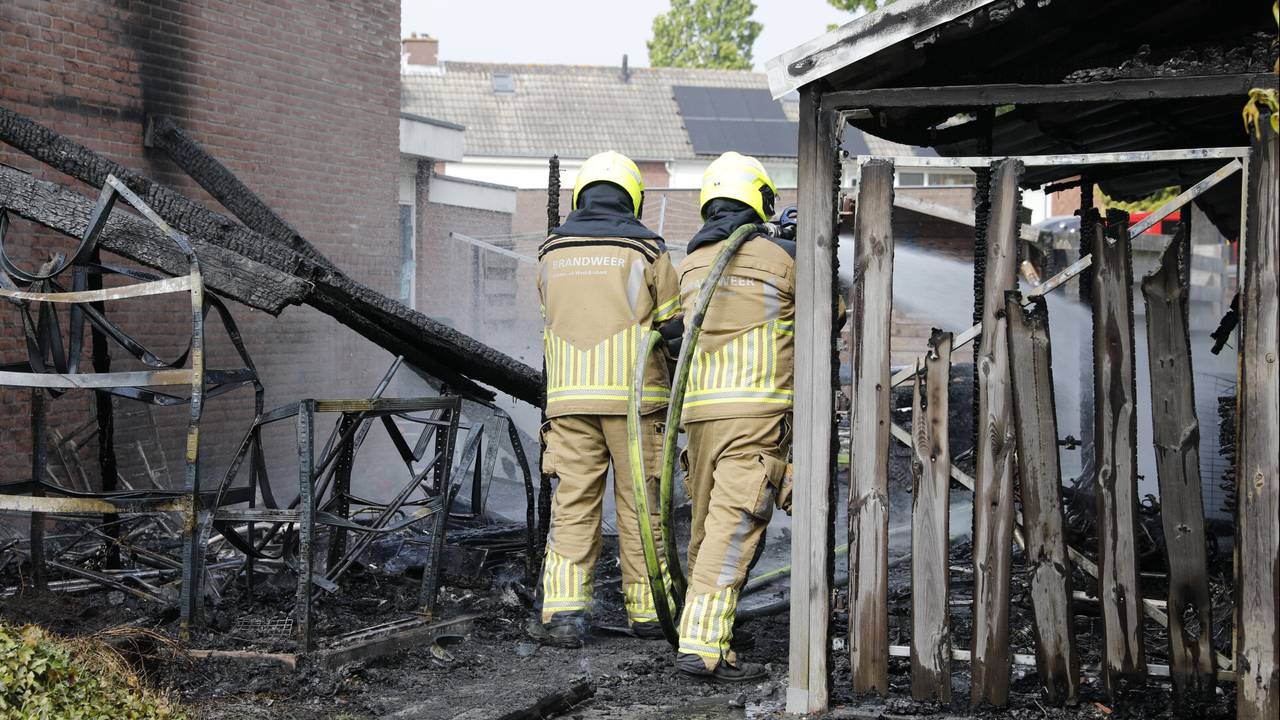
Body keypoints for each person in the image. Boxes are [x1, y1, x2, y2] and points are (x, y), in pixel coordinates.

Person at [536, 150, 682, 647]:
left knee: (573, 503)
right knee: (641, 507)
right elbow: (674, 325)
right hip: (636, 402)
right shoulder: (646, 250)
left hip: (569, 401)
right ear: (632, 196)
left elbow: (549, 314)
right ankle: (648, 614)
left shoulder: (549, 252)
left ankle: (563, 615)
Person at [673, 152, 794, 681]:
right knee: (735, 522)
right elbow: (831, 314)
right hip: (757, 410)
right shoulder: (782, 259)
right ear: (759, 201)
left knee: (706, 524)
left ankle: (704, 629)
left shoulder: (691, 263)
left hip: (701, 415)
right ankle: (701, 644)